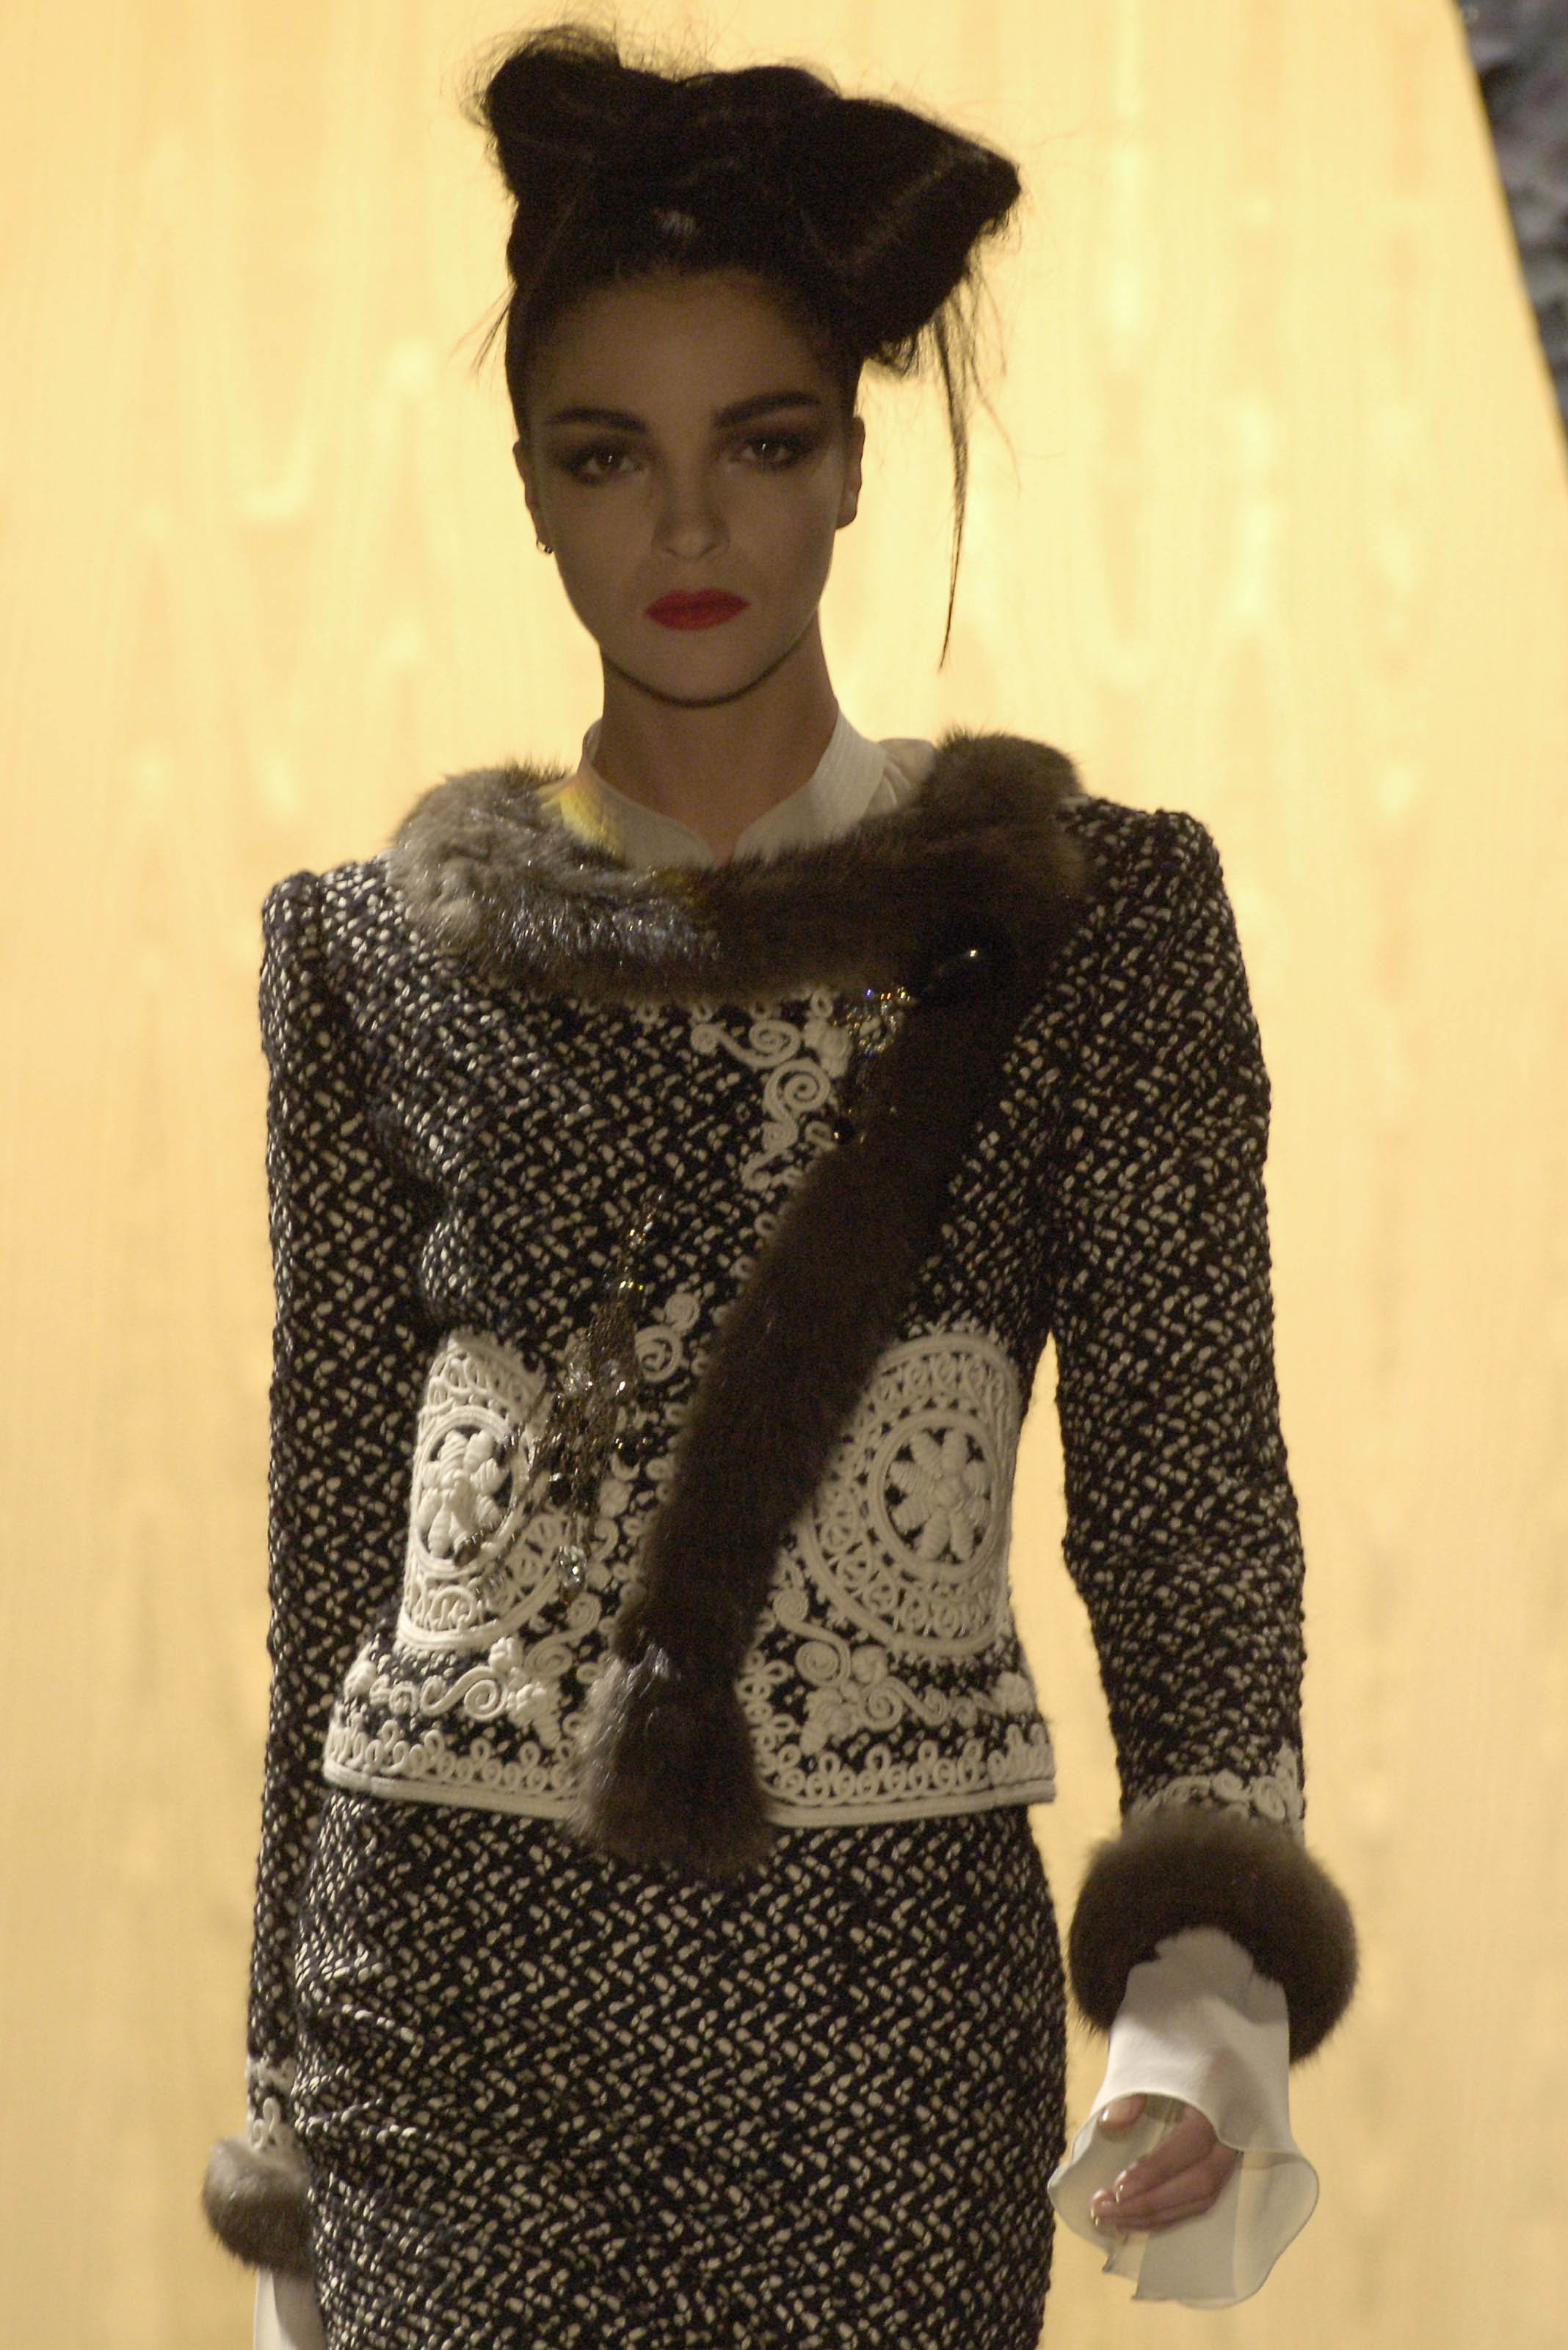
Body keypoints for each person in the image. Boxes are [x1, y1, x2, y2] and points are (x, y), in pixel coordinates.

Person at [202, 25, 1357, 2348]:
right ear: (530, 486)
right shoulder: (375, 953)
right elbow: (336, 1549)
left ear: (851, 464)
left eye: (762, 442)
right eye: (605, 455)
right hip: (438, 1996)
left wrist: (1205, 2015)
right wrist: (290, 2127)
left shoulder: (1092, 924)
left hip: (882, 2017)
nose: (687, 527)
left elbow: (1188, 1496)